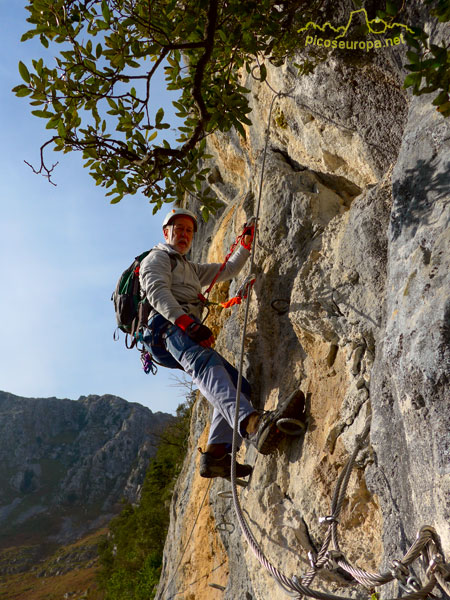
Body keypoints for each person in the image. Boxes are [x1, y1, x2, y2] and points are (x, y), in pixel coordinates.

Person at [140, 208, 299, 479]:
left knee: (239, 386)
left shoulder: (190, 268)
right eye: (178, 229)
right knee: (206, 364)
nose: (184, 234)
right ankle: (251, 425)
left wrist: (246, 244)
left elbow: (228, 269)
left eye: (189, 230)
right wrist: (186, 323)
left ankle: (216, 455)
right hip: (166, 328)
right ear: (166, 233)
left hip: (181, 328)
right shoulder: (157, 258)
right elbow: (156, 291)